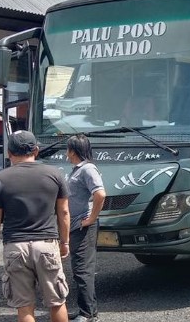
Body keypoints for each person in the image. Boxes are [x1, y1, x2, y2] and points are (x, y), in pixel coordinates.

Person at [0, 130, 70, 322]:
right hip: (47, 244)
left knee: (24, 306)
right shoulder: (55, 174)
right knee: (56, 302)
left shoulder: (0, 179)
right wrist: (65, 242)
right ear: (36, 150)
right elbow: (64, 212)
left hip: (15, 247)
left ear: (9, 153)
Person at [65, 134, 107, 322]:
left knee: (83, 270)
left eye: (68, 149)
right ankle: (86, 311)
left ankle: (88, 314)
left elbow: (100, 194)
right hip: (75, 226)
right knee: (78, 269)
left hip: (84, 227)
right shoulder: (77, 169)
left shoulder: (88, 169)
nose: (66, 153)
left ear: (73, 151)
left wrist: (90, 219)